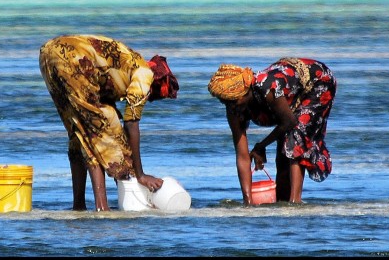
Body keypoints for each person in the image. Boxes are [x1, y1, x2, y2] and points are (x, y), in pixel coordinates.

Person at [39, 34, 179, 211]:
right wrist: (141, 174)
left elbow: (105, 94)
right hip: (75, 56)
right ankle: (102, 207)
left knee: (78, 131)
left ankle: (79, 206)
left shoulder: (129, 62)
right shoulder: (145, 74)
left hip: (48, 52)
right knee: (95, 132)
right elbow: (131, 122)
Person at [207, 57, 336, 204]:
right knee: (282, 158)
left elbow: (289, 122)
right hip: (289, 92)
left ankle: (295, 202)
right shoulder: (233, 110)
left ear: (247, 92)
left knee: (295, 137)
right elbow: (242, 156)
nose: (232, 107)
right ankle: (281, 203)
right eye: (226, 103)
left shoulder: (267, 89)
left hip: (317, 82)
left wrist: (260, 146)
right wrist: (247, 202)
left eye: (235, 101)